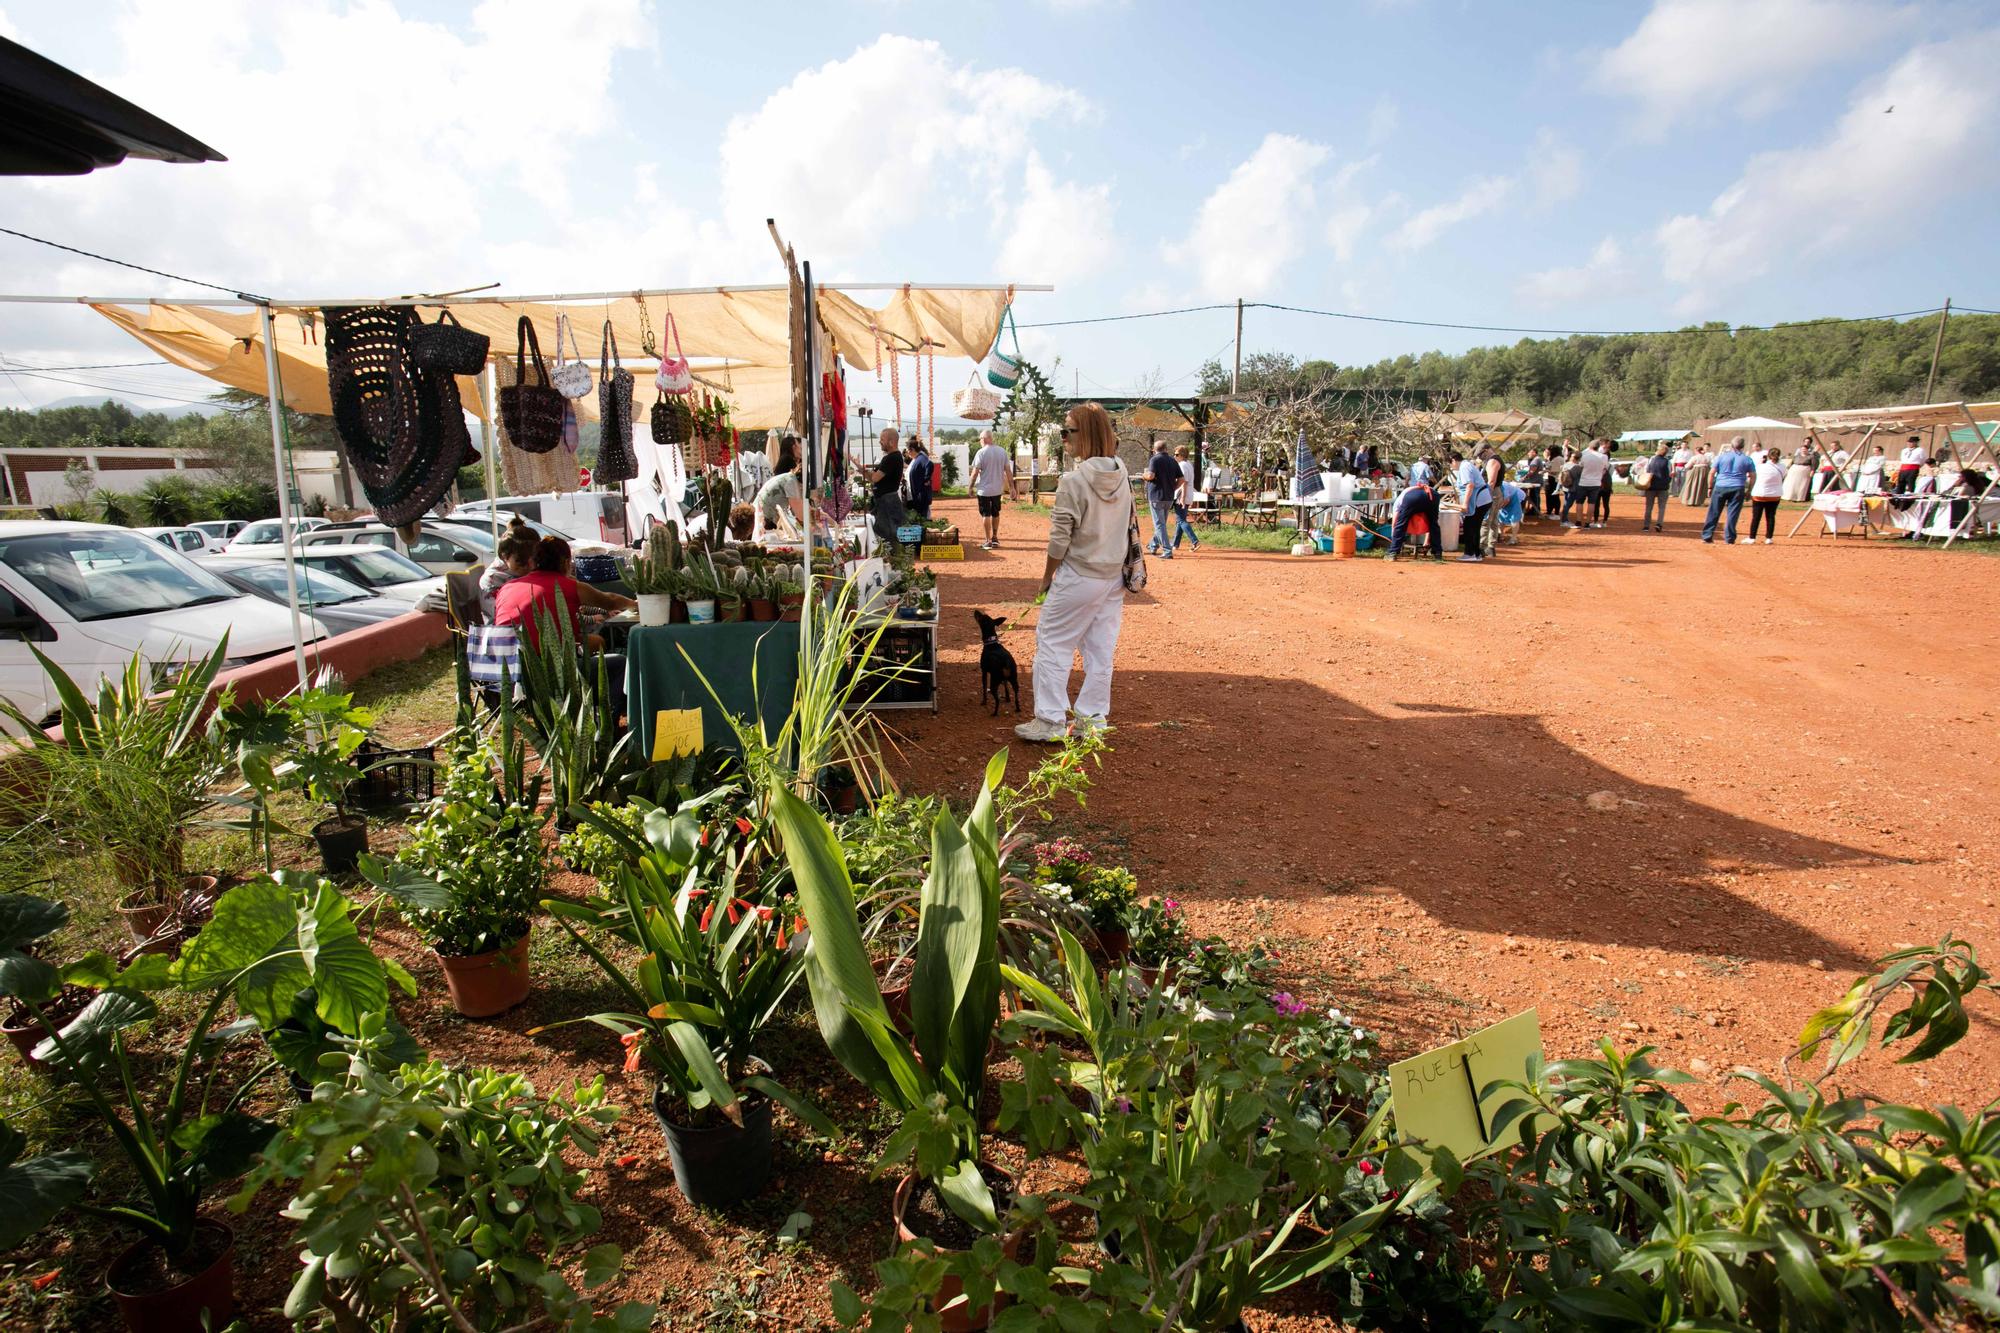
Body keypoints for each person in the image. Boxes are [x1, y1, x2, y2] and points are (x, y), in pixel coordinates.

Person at [1017, 403, 1133, 744]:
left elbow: (1059, 540)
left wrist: (1045, 578)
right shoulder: (1122, 472)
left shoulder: (1074, 480)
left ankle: (1050, 719)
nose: (1064, 438)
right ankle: (1093, 718)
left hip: (1079, 573)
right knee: (1100, 649)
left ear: (1088, 434)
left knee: (1052, 642)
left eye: (1069, 431)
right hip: (1113, 577)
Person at [494, 535, 636, 652]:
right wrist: (634, 604)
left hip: (505, 661)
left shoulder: (507, 587)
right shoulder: (570, 586)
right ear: (566, 562)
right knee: (602, 646)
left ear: (533, 561)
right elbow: (609, 601)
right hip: (550, 663)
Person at [479, 519, 537, 619]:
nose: (530, 566)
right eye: (521, 561)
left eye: (534, 559)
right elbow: (502, 617)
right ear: (504, 556)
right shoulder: (492, 579)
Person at [1703, 435, 1755, 545]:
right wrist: (1749, 490)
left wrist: (1710, 487)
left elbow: (1712, 473)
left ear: (1731, 445)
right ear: (1743, 446)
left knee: (1714, 511)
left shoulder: (1721, 457)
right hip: (1738, 487)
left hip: (1721, 486)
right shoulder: (1747, 459)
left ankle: (1707, 535)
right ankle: (1729, 538)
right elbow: (1753, 476)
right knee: (1733, 513)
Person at [755, 434, 805, 537]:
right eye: (799, 445)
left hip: (771, 507)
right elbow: (798, 510)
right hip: (769, 511)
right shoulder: (790, 469)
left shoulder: (786, 460)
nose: (801, 449)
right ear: (793, 446)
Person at [970, 428, 1012, 550]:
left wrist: (970, 487)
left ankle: (987, 540)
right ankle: (995, 538)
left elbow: (975, 472)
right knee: (995, 513)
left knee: (986, 514)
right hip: (997, 490)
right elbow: (1008, 471)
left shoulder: (981, 452)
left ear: (984, 439)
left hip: (984, 490)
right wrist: (1012, 487)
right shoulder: (1002, 451)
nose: (979, 442)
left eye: (980, 439)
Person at [869, 428, 908, 551]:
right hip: (887, 501)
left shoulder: (891, 458)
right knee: (887, 534)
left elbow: (875, 478)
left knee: (889, 534)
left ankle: (896, 562)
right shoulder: (892, 457)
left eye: (882, 439)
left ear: (891, 442)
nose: (880, 442)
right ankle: (895, 561)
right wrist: (861, 468)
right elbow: (874, 478)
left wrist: (864, 471)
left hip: (888, 502)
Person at [1386, 475, 1441, 562]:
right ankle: (1437, 553)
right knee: (1433, 524)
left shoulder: (1397, 502)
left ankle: (1392, 553)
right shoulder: (1408, 492)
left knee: (1401, 524)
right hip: (1433, 495)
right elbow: (1432, 524)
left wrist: (1393, 539)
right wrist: (1426, 541)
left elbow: (1396, 524)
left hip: (1414, 497)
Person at [1143, 438, 1182, 559]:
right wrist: (1173, 488)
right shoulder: (1173, 460)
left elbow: (1150, 475)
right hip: (1169, 497)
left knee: (1159, 524)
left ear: (1155, 450)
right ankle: (1153, 545)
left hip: (1156, 496)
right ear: (1166, 449)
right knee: (1161, 524)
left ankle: (1167, 550)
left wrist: (1144, 476)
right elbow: (1181, 479)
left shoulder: (1155, 459)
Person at [1453, 450, 1490, 562]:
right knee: (1475, 526)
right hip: (1483, 499)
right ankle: (1476, 553)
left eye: (1450, 463)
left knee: (1470, 526)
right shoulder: (1467, 465)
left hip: (1479, 500)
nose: (1451, 466)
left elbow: (1470, 485)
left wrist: (1465, 504)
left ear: (1454, 460)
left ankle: (1470, 553)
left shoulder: (1464, 467)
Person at [1748, 447, 1785, 544]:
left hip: (1759, 494)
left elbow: (1754, 475)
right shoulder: (1782, 466)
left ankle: (1752, 537)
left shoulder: (1760, 466)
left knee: (1756, 517)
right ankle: (1769, 538)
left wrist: (1762, 462)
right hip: (1775, 495)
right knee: (1771, 516)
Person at [1172, 444, 1202, 552]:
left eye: (1176, 454)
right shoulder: (1189, 464)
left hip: (1182, 495)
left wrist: (1182, 498)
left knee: (1180, 520)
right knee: (1181, 520)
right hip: (1188, 494)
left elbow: (1184, 482)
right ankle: (1175, 544)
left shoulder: (1182, 465)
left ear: (1182, 455)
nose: (1174, 456)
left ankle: (1195, 541)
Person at [1639, 441, 1672, 531]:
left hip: (1651, 486)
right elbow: (1669, 474)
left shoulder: (1650, 460)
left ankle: (1646, 526)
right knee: (1662, 507)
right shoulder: (1667, 462)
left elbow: (1646, 472)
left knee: (1649, 507)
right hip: (1663, 486)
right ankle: (1659, 524)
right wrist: (1668, 481)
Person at [1577, 438, 1610, 527]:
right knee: (1591, 503)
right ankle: (1587, 522)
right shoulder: (1604, 457)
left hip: (1583, 482)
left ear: (1590, 447)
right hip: (1596, 482)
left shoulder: (1584, 456)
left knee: (1579, 502)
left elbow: (1580, 466)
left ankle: (1578, 521)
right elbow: (1605, 468)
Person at [905, 440, 936, 519]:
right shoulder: (916, 458)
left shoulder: (921, 458)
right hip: (916, 495)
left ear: (912, 449)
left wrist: (926, 479)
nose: (907, 453)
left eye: (908, 450)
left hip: (920, 496)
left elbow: (930, 464)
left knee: (922, 519)